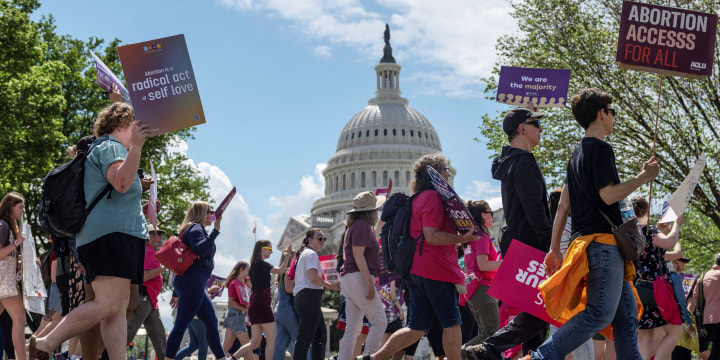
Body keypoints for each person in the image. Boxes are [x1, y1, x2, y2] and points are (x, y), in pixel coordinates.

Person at [526, 87, 659, 359]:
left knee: (626, 318)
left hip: (592, 245)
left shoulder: (576, 154)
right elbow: (608, 194)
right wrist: (643, 177)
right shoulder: (600, 149)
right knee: (599, 313)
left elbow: (563, 206)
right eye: (613, 112)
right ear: (602, 113)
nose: (614, 117)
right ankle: (541, 357)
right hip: (603, 245)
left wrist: (555, 248)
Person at [30, 103, 152, 360]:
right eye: (134, 126)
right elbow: (120, 182)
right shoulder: (110, 147)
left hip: (112, 235)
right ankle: (45, 342)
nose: (138, 131)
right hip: (112, 236)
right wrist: (138, 146)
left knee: (116, 309)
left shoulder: (109, 149)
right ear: (121, 125)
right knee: (108, 304)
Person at [365, 153, 479, 360]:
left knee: (416, 328)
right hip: (436, 269)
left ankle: (373, 358)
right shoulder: (433, 197)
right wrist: (462, 239)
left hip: (417, 270)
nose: (447, 173)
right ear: (434, 175)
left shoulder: (416, 199)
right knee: (451, 323)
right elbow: (431, 235)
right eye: (444, 170)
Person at [463, 107, 553, 360]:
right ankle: (489, 348)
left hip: (518, 242)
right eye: (536, 123)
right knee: (540, 309)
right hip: (531, 243)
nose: (541, 128)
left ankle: (501, 350)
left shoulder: (511, 162)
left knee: (536, 313)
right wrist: (551, 246)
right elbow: (534, 209)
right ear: (522, 129)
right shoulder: (523, 163)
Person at [165, 201, 225, 360]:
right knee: (181, 324)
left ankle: (222, 358)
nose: (212, 214)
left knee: (212, 323)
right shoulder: (196, 228)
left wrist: (176, 292)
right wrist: (215, 231)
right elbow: (200, 249)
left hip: (194, 282)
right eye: (209, 211)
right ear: (201, 213)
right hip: (193, 282)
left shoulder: (192, 229)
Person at [631, 197, 684, 360]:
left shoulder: (630, 232)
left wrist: (661, 230)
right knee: (676, 331)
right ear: (647, 212)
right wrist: (676, 225)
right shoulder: (649, 230)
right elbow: (670, 243)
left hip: (638, 289)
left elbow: (655, 254)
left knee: (644, 336)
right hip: (658, 289)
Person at [338, 191, 388, 360]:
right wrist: (368, 282)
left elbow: (360, 253)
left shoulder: (355, 226)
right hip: (358, 277)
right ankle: (369, 357)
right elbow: (358, 254)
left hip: (349, 279)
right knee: (380, 320)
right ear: (370, 211)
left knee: (353, 328)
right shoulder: (362, 226)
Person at [231, 240, 292, 360]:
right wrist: (287, 256)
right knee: (271, 340)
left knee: (254, 343)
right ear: (262, 249)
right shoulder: (263, 265)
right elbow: (281, 270)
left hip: (254, 303)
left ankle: (232, 358)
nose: (271, 252)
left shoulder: (253, 265)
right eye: (269, 249)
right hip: (262, 303)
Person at [292, 229, 340, 360]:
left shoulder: (305, 254)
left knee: (320, 336)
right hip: (309, 297)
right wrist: (330, 286)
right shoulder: (311, 254)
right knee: (306, 337)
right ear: (309, 239)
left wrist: (325, 285)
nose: (323, 241)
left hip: (306, 297)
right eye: (319, 238)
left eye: (324, 238)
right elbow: (313, 278)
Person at [460, 200, 501, 348]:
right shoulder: (482, 237)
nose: (492, 216)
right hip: (483, 288)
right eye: (490, 212)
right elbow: (483, 265)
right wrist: (506, 263)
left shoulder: (471, 237)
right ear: (483, 215)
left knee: (484, 333)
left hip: (473, 290)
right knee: (492, 333)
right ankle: (457, 356)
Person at [126, 224, 168, 360]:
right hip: (142, 297)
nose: (161, 237)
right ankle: (106, 356)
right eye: (158, 233)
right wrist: (162, 268)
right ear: (150, 236)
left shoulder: (150, 251)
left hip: (150, 299)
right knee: (128, 332)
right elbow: (142, 276)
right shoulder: (148, 251)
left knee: (159, 335)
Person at [0, 192, 27, 360]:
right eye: (21, 207)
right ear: (10, 207)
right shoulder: (3, 226)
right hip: (5, 283)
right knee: (20, 319)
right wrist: (17, 243)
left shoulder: (8, 227)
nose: (23, 210)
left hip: (5, 282)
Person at [694, 254, 720, 360]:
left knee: (717, 347)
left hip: (707, 320)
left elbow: (695, 295)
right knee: (717, 349)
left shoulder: (704, 276)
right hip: (719, 318)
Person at [223, 261, 251, 356]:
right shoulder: (234, 283)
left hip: (236, 316)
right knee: (247, 346)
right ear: (241, 270)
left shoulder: (241, 284)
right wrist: (246, 310)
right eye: (247, 270)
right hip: (236, 316)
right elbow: (231, 301)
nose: (248, 272)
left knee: (228, 345)